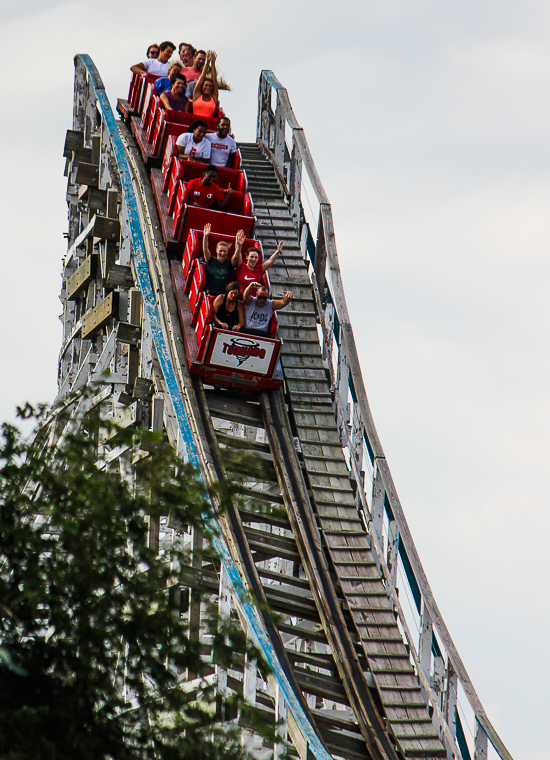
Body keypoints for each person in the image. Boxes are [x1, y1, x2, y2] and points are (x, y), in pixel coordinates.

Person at [202, 223, 240, 296]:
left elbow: (236, 257)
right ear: (216, 250)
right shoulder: (211, 260)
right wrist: (205, 236)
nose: (222, 253)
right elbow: (205, 249)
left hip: (222, 294)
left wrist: (239, 246)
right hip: (209, 292)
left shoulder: (229, 263)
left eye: (225, 251)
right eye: (220, 251)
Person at [189, 51, 223, 118]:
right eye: (206, 85)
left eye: (210, 86)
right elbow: (201, 78)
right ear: (202, 86)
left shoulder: (213, 98)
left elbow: (214, 80)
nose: (208, 87)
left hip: (207, 124)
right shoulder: (197, 95)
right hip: (196, 123)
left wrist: (213, 63)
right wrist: (207, 63)